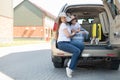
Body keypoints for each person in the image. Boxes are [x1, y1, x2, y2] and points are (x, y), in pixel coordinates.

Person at [57, 12, 84, 78]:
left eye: (64, 18)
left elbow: (75, 30)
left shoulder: (68, 25)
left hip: (68, 42)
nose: (63, 19)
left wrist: (78, 30)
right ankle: (70, 68)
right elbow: (68, 35)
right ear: (61, 19)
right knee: (77, 51)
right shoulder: (63, 25)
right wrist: (73, 33)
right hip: (62, 43)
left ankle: (71, 61)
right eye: (62, 18)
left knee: (81, 45)